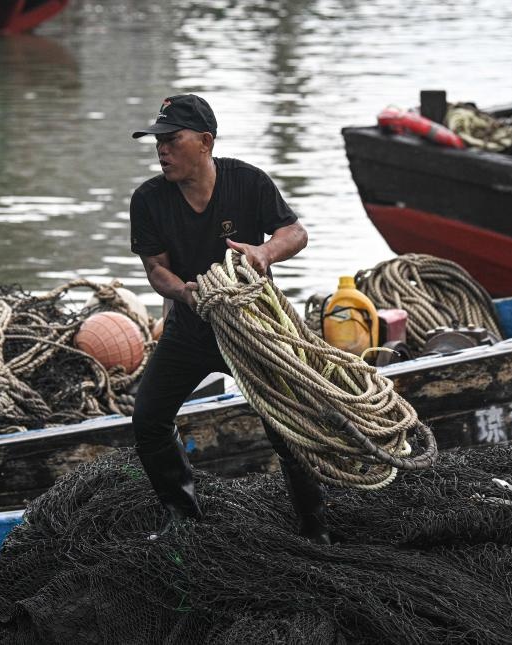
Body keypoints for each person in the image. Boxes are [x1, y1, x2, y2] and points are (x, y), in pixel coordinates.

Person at [129, 94, 330, 544]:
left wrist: (264, 252)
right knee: (148, 419)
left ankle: (315, 528)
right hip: (191, 327)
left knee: (287, 425)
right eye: (158, 141)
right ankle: (184, 519)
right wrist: (186, 292)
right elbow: (156, 269)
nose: (162, 149)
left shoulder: (247, 182)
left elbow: (295, 232)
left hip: (253, 328)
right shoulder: (148, 199)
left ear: (205, 141)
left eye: (172, 139)